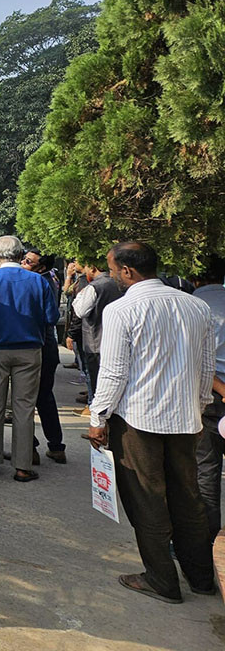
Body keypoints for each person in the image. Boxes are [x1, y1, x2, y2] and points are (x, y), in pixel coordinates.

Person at [87, 241, 217, 603]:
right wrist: (200, 405)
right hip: (187, 419)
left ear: (128, 271)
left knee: (147, 501)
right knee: (187, 499)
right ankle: (201, 577)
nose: (112, 275)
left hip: (139, 421)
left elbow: (113, 373)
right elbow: (206, 368)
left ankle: (162, 579)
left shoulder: (122, 309)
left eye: (113, 269)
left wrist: (99, 418)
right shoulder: (196, 307)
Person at [0, 235, 58, 482]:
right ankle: (23, 466)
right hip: (30, 348)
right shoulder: (38, 282)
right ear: (21, 255)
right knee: (24, 407)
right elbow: (51, 317)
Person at [191, 257, 225, 534]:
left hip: (212, 397)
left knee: (207, 472)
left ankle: (205, 540)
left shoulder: (195, 308)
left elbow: (196, 360)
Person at [23, 248, 66, 464]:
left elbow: (51, 316)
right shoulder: (49, 279)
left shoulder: (41, 283)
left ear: (41, 267)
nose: (23, 263)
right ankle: (55, 445)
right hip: (45, 344)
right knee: (43, 397)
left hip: (39, 344)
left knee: (29, 398)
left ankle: (31, 447)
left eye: (28, 262)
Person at [71, 259, 124, 418]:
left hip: (95, 341)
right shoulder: (120, 284)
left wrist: (78, 297)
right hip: (116, 340)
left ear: (92, 268)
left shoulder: (94, 287)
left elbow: (80, 311)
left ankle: (96, 416)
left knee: (96, 381)